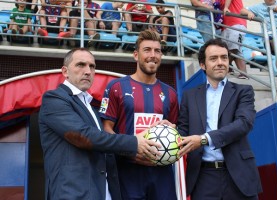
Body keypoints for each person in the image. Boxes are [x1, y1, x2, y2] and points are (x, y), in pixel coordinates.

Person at [39, 48, 161, 200]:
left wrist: (148, 141)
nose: (88, 71)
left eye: (92, 66)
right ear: (65, 71)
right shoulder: (54, 99)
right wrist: (134, 142)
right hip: (72, 194)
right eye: (81, 65)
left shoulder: (91, 107)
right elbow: (82, 136)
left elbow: (104, 146)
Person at [176, 39, 262, 199]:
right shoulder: (190, 96)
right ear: (203, 65)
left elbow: (244, 123)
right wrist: (169, 130)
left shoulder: (243, 91)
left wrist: (204, 139)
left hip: (239, 175)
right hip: (203, 177)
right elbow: (183, 130)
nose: (220, 62)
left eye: (224, 57)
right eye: (213, 58)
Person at [99, 30, 179, 200]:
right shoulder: (116, 87)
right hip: (127, 171)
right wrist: (130, 150)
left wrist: (173, 131)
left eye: (157, 51)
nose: (153, 55)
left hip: (161, 173)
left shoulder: (170, 93)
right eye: (147, 50)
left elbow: (176, 130)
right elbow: (106, 129)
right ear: (136, 55)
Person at [240, 0, 277, 79]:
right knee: (276, 41)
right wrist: (248, 13)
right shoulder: (258, 7)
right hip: (269, 39)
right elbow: (242, 10)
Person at [220, 0, 249, 79]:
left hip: (237, 24)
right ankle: (243, 73)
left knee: (234, 48)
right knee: (232, 49)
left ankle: (223, 67)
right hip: (225, 26)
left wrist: (226, 7)